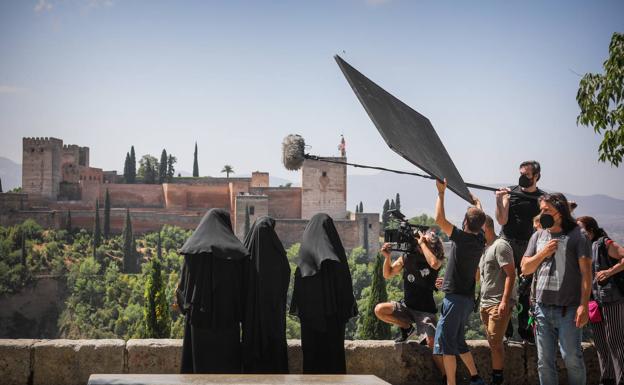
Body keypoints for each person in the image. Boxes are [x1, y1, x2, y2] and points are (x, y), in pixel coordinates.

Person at [520, 193, 592, 385]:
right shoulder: (538, 235)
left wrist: (583, 306)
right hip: (542, 309)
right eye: (541, 209)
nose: (542, 213)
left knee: (572, 359)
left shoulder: (578, 235)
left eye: (547, 210)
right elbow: (525, 268)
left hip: (569, 309)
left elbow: (587, 274)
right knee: (544, 362)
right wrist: (543, 253)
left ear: (559, 211)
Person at [176, 208, 250, 374]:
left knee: (201, 370)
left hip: (198, 324)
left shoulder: (192, 252)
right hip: (228, 323)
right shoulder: (237, 254)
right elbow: (244, 292)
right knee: (227, 370)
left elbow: (183, 291)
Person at [433, 178, 486, 385]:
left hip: (454, 300)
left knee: (447, 346)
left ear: (465, 222)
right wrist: (476, 200)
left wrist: (441, 193)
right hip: (465, 300)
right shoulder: (479, 239)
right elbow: (480, 215)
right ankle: (476, 378)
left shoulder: (462, 238)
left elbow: (439, 218)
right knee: (457, 341)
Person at [290, 213, 358, 374]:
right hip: (333, 324)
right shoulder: (336, 259)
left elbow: (298, 294)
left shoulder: (304, 257)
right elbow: (345, 291)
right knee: (333, 363)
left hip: (310, 324)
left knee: (312, 363)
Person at [375, 230, 445, 378]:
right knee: (380, 310)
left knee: (432, 343)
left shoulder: (434, 259)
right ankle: (407, 328)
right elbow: (388, 274)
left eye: (423, 241)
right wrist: (387, 258)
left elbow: (434, 263)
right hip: (407, 307)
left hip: (425, 311)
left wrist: (422, 243)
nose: (418, 242)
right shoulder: (407, 257)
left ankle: (446, 377)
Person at [495, 160, 545, 343]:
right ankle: (505, 332)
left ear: (536, 176)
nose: (522, 177)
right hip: (508, 243)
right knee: (504, 290)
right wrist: (500, 201)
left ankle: (526, 333)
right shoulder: (511, 192)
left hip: (529, 248)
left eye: (527, 175)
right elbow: (501, 220)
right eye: (521, 173)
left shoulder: (542, 199)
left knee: (525, 292)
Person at [577, 216, 624, 385]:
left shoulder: (604, 244)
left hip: (612, 299)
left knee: (615, 341)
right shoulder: (583, 249)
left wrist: (610, 271)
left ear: (590, 231)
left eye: (580, 229)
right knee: (601, 343)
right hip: (593, 303)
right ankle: (607, 379)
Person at [242, 216, 291, 374]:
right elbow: (285, 278)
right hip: (273, 319)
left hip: (251, 320)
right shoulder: (279, 256)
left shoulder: (244, 256)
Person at [478, 215, 517, 385]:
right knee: (493, 343)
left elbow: (511, 274)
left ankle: (497, 379)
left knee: (495, 342)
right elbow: (479, 278)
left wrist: (504, 301)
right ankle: (497, 377)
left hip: (497, 303)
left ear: (485, 227)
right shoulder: (486, 248)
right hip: (485, 303)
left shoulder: (500, 246)